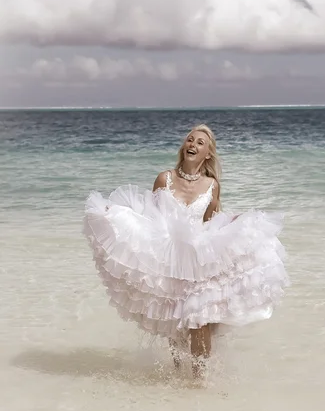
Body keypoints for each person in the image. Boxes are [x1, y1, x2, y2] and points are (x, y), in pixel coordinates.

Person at [83, 124, 288, 379]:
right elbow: (151, 215)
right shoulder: (164, 179)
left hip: (198, 259)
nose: (193, 144)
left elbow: (211, 222)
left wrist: (238, 224)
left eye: (200, 143)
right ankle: (181, 381)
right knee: (176, 326)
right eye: (190, 140)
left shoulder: (212, 185)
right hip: (169, 259)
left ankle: (200, 382)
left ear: (208, 154)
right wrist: (117, 217)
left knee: (199, 320)